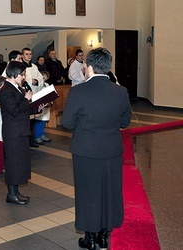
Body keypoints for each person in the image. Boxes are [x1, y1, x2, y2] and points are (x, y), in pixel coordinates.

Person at [61, 47, 131, 250]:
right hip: (111, 149)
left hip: (86, 150)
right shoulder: (120, 91)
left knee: (88, 192)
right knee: (109, 191)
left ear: (89, 67)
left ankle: (90, 238)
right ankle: (103, 236)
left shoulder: (79, 91)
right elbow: (125, 122)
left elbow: (67, 122)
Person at [0, 61, 46, 205]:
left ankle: (16, 192)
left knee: (20, 163)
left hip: (20, 130)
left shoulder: (17, 88)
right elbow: (14, 110)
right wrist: (26, 99)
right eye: (22, 74)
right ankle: (11, 194)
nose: (24, 77)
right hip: (13, 132)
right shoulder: (6, 90)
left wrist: (38, 106)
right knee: (13, 164)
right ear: (14, 74)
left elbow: (24, 108)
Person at [34, 70, 52, 145]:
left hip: (46, 105)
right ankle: (37, 136)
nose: (44, 79)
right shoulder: (37, 85)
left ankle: (42, 135)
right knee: (38, 121)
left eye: (45, 77)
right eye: (42, 77)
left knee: (43, 121)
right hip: (40, 104)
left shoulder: (47, 85)